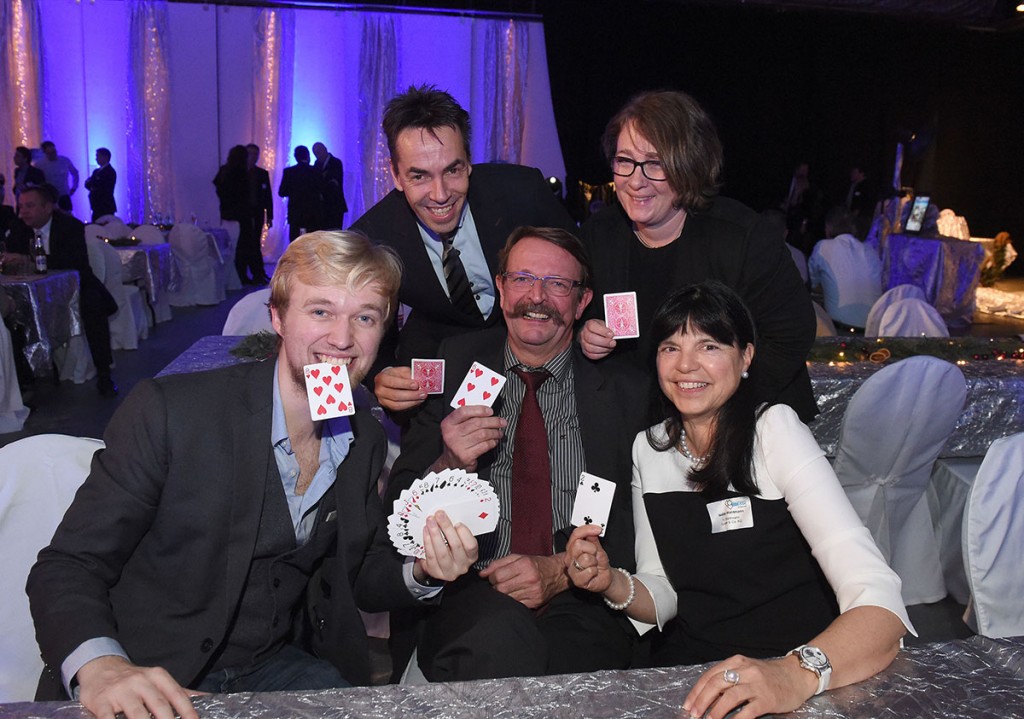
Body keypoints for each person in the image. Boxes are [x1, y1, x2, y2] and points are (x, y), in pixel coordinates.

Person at [27, 231, 479, 718]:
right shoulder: (170, 413)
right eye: (320, 311)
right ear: (277, 317)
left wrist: (422, 570)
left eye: (365, 317)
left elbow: (356, 573)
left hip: (272, 666)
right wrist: (102, 667)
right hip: (147, 667)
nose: (342, 339)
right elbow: (68, 564)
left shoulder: (361, 436)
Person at [565, 281, 913, 718]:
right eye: (671, 348)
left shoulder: (774, 430)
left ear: (746, 356)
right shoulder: (648, 449)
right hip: (698, 675)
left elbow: (880, 602)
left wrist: (792, 675)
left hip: (800, 671)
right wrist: (610, 582)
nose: (686, 365)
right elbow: (665, 592)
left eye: (709, 346)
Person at [389, 226, 647, 681]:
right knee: (499, 642)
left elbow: (644, 519)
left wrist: (562, 569)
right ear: (502, 287)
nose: (537, 297)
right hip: (473, 590)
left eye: (557, 284)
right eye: (523, 279)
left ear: (582, 302)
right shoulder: (455, 363)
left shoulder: (625, 389)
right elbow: (399, 502)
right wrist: (449, 463)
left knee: (571, 669)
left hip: (582, 591)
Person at [579, 90, 817, 422]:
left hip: (746, 417)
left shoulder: (743, 237)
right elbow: (577, 314)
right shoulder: (598, 235)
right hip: (640, 425)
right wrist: (586, 335)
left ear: (689, 166)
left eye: (655, 163)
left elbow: (791, 336)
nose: (635, 180)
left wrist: (716, 408)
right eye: (624, 161)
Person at [352, 84, 577, 410]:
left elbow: (581, 265)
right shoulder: (375, 236)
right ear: (396, 175)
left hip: (539, 351)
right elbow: (365, 324)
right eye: (419, 176)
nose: (440, 194)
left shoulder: (522, 191)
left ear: (469, 162)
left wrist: (591, 326)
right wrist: (381, 373)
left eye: (452, 170)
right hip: (439, 369)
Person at [7, 184, 118, 396]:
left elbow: (73, 261)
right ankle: (24, 380)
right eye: (21, 206)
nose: (24, 212)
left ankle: (104, 373)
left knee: (93, 305)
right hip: (36, 291)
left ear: (47, 207)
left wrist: (29, 260)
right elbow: (13, 258)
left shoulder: (70, 226)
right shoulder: (18, 228)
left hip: (75, 285)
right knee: (13, 312)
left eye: (30, 206)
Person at [808, 206, 882, 330]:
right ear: (853, 228)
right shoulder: (870, 251)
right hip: (872, 329)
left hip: (836, 329)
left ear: (828, 227)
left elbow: (812, 284)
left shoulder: (823, 247)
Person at [215, 145, 262, 285]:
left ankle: (236, 276)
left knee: (232, 246)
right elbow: (245, 195)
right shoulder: (242, 173)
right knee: (244, 246)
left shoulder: (224, 171)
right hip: (243, 214)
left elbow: (217, 186)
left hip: (227, 213)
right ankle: (241, 274)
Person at [278, 145, 323, 242]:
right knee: (311, 241)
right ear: (307, 156)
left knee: (295, 241)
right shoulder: (315, 171)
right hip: (312, 214)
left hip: (295, 214)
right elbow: (320, 189)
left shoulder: (289, 172)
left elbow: (282, 192)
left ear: (296, 157)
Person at [245, 143, 274, 283]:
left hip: (257, 213)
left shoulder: (262, 173)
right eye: (251, 154)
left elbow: (268, 196)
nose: (253, 157)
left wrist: (270, 216)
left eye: (256, 154)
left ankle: (258, 273)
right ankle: (253, 272)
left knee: (255, 242)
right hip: (243, 214)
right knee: (248, 243)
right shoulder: (239, 173)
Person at [312, 142, 347, 230]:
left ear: (325, 149)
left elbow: (333, 182)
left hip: (335, 205)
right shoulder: (317, 164)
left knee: (335, 231)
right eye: (315, 154)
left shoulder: (336, 162)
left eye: (318, 152)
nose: (317, 156)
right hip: (322, 207)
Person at [37, 141, 80, 213]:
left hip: (64, 194)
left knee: (67, 215)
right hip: (49, 196)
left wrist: (74, 187)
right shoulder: (39, 165)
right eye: (50, 153)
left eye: (54, 152)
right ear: (44, 153)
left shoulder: (65, 161)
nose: (53, 155)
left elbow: (75, 173)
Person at [84, 148, 117, 222]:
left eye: (98, 156)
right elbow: (87, 183)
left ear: (105, 157)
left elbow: (103, 188)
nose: (96, 159)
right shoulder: (96, 171)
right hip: (96, 206)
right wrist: (93, 186)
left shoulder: (110, 172)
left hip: (105, 206)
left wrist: (93, 186)